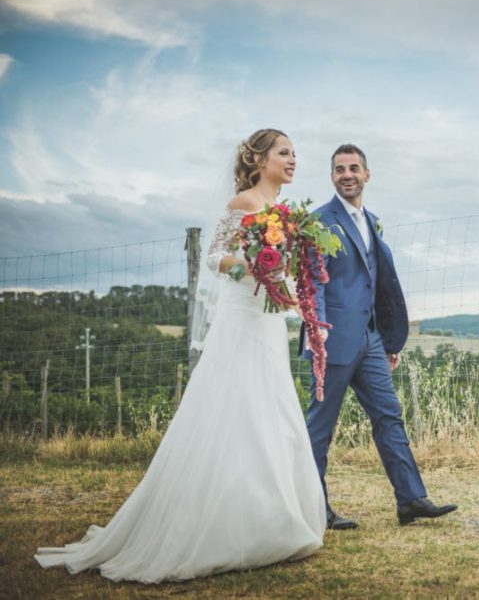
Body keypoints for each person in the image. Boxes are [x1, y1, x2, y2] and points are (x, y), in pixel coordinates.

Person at [35, 129, 326, 583]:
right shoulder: (243, 204)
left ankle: (275, 516)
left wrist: (284, 283)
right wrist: (252, 265)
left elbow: (287, 268)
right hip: (242, 321)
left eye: (294, 154)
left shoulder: (286, 215)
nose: (293, 160)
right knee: (238, 411)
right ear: (260, 159)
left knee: (273, 409)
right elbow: (214, 257)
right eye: (284, 153)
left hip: (269, 322)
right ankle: (232, 527)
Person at [300, 144, 457, 528]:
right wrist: (317, 334)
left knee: (389, 415)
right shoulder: (317, 222)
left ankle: (411, 499)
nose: (347, 174)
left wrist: (387, 339)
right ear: (332, 177)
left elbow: (377, 284)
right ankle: (312, 507)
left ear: (368, 174)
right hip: (332, 340)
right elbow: (312, 285)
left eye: (354, 167)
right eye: (340, 169)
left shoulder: (373, 221)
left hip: (370, 341)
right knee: (320, 427)